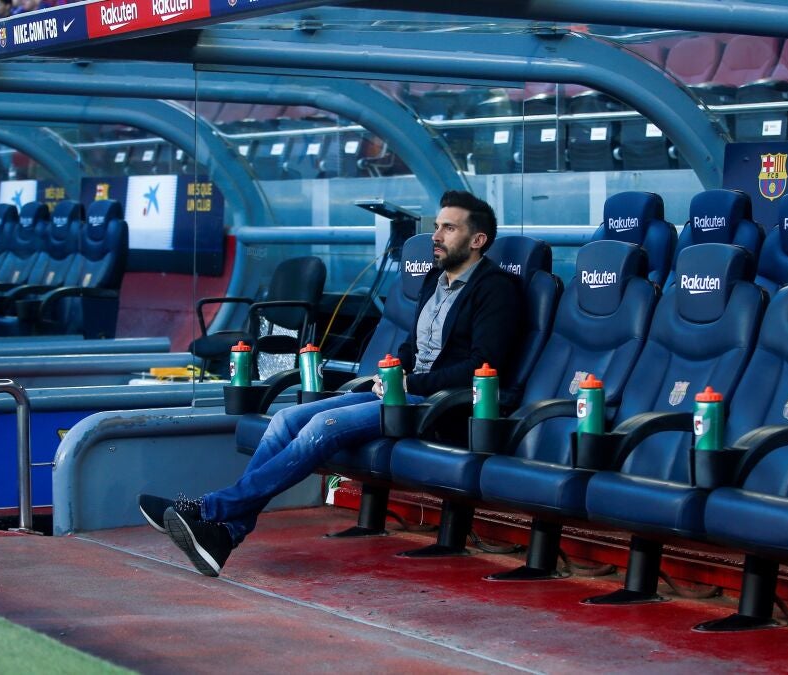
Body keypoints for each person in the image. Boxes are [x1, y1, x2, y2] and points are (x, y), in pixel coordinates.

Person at [139, 190, 525, 577]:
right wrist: (390, 375)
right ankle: (225, 533)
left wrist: (410, 383)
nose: (436, 236)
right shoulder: (433, 281)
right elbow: (412, 347)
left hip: (438, 405)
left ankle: (211, 511)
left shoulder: (495, 288)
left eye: (449, 228)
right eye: (437, 226)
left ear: (478, 240)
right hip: (399, 394)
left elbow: (482, 366)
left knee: (322, 426)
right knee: (284, 420)